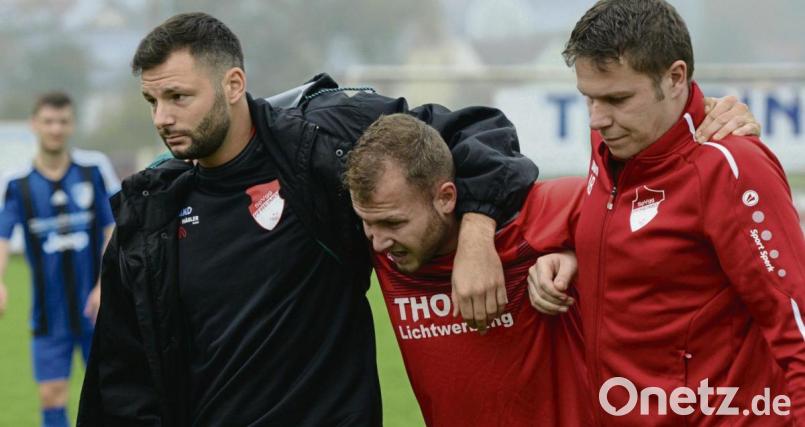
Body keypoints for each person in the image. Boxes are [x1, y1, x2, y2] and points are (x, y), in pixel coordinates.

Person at [76, 12, 538, 426]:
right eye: (152, 100)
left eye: (178, 97)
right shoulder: (150, 211)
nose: (162, 117)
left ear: (233, 84)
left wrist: (477, 236)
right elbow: (123, 379)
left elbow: (479, 132)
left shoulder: (322, 143)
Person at [529, 0, 805, 425]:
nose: (597, 119)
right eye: (589, 99)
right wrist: (574, 257)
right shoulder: (613, 142)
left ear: (675, 77)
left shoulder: (731, 166)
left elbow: (796, 328)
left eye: (617, 98)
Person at [344, 113, 591, 426]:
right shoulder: (386, 249)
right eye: (367, 222)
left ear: (446, 198)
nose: (378, 243)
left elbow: (644, 227)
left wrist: (580, 260)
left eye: (393, 223)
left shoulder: (546, 214)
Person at [0, 92, 119, 427]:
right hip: (48, 314)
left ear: (72, 125)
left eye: (62, 121)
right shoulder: (18, 184)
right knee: (51, 396)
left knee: (111, 394)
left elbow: (115, 228)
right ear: (34, 125)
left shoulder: (94, 170)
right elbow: (2, 237)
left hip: (98, 308)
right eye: (48, 121)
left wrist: (104, 284)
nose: (55, 129)